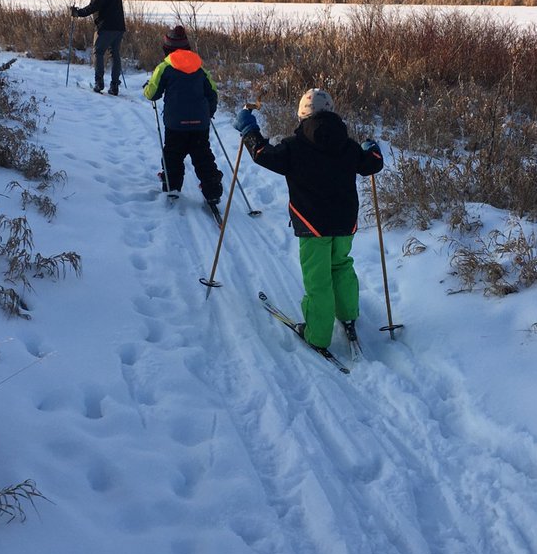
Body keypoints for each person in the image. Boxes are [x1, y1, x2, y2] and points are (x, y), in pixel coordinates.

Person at [233, 88, 383, 351]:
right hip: (345, 222)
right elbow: (372, 164)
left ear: (302, 114)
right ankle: (348, 315)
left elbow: (261, 154)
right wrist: (373, 149)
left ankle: (317, 335)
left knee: (318, 280)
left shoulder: (294, 146)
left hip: (313, 225)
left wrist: (249, 132)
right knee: (342, 266)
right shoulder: (348, 146)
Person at [144, 26, 224, 203]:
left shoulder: (165, 67)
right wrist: (209, 112)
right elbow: (212, 93)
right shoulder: (199, 67)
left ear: (167, 48)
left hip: (175, 124)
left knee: (173, 154)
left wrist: (146, 89)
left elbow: (152, 94)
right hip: (199, 123)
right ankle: (212, 190)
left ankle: (172, 185)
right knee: (202, 156)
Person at [70, 0, 126, 95]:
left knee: (98, 52)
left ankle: (99, 83)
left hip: (106, 26)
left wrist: (79, 13)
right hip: (119, 26)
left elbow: (95, 5)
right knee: (115, 55)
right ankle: (114, 86)